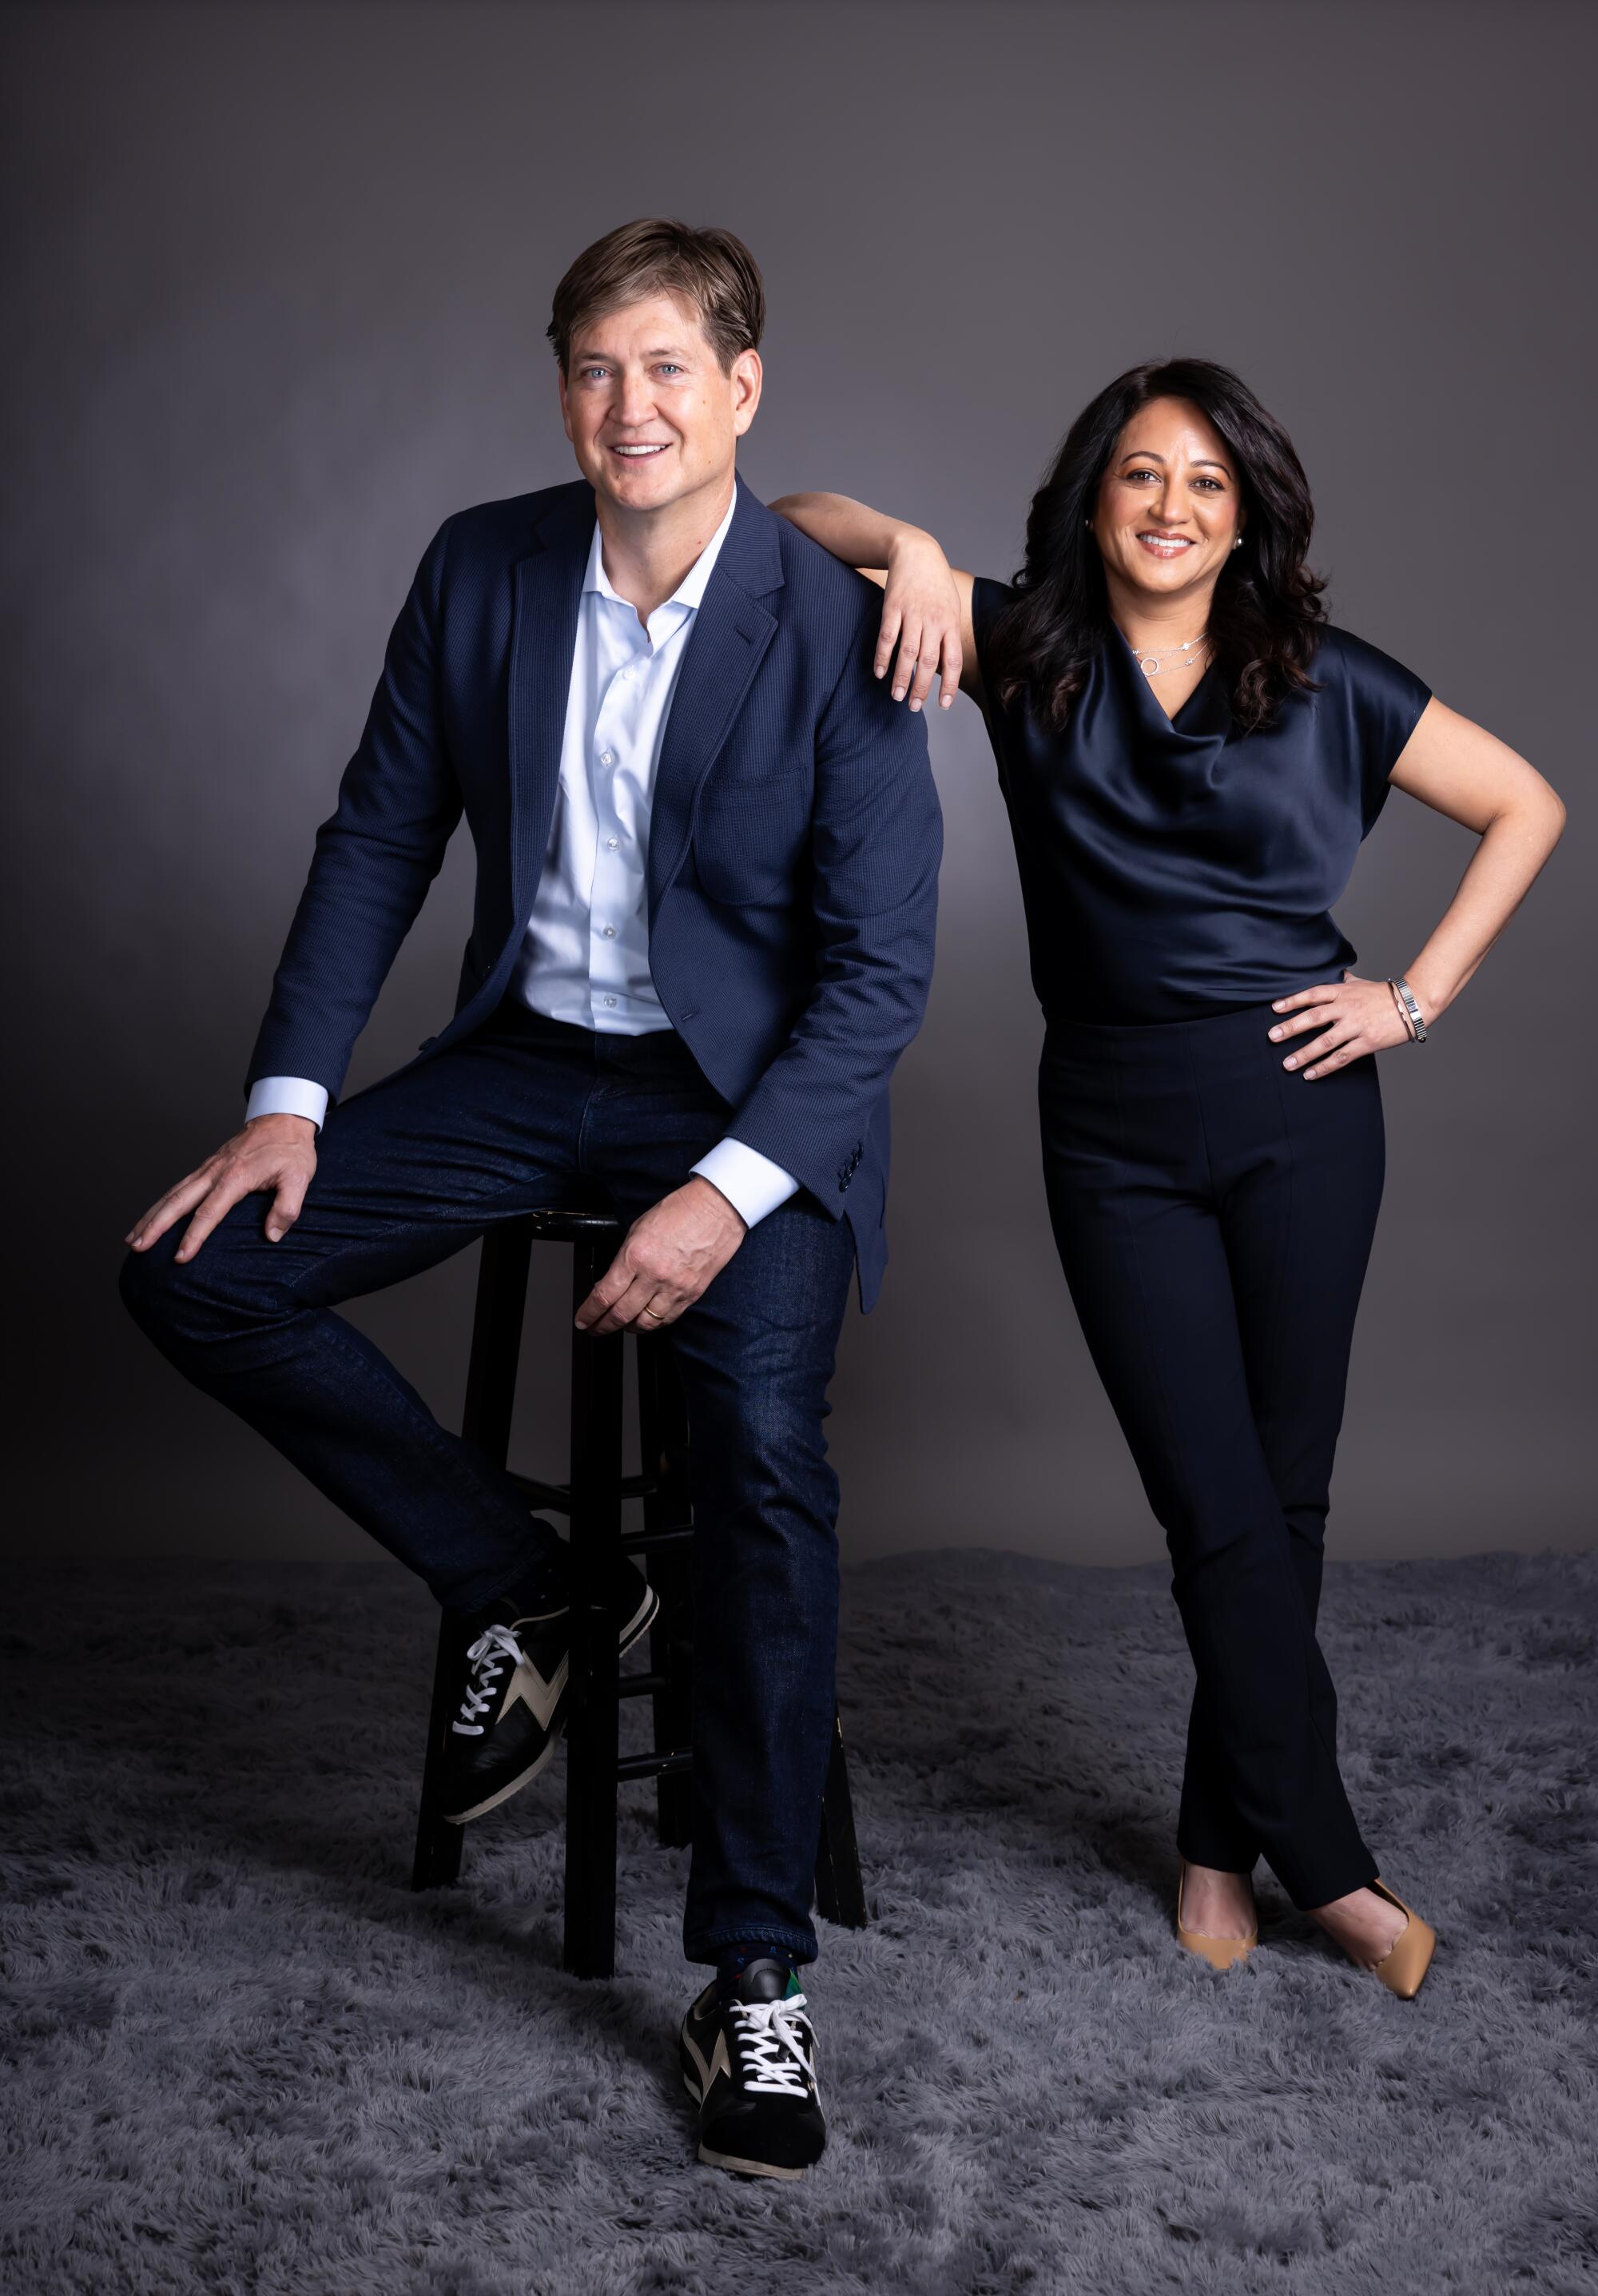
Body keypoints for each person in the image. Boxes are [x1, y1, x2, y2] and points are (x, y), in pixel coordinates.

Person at [119, 218, 941, 2178]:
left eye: (667, 369)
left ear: (743, 390)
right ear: (559, 388)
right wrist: (290, 1100)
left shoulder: (842, 622)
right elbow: (378, 833)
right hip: (522, 1062)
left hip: (743, 1099)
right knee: (196, 1269)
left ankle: (753, 1979)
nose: (628, 407)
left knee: (757, 1453)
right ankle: (532, 1579)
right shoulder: (480, 565)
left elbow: (881, 974)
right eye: (593, 368)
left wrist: (726, 1194)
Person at [773, 359, 1564, 1998]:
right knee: (1213, 1501)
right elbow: (782, 523)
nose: (1172, 507)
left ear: (1247, 513)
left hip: (1303, 1113)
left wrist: (1410, 1000)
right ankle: (1329, 1864)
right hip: (1111, 1129)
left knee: (1282, 1494)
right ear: (1092, 499)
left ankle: (1217, 1842)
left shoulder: (1328, 679)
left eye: (1207, 482)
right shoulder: (1023, 653)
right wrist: (908, 545)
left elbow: (1526, 805)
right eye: (1141, 474)